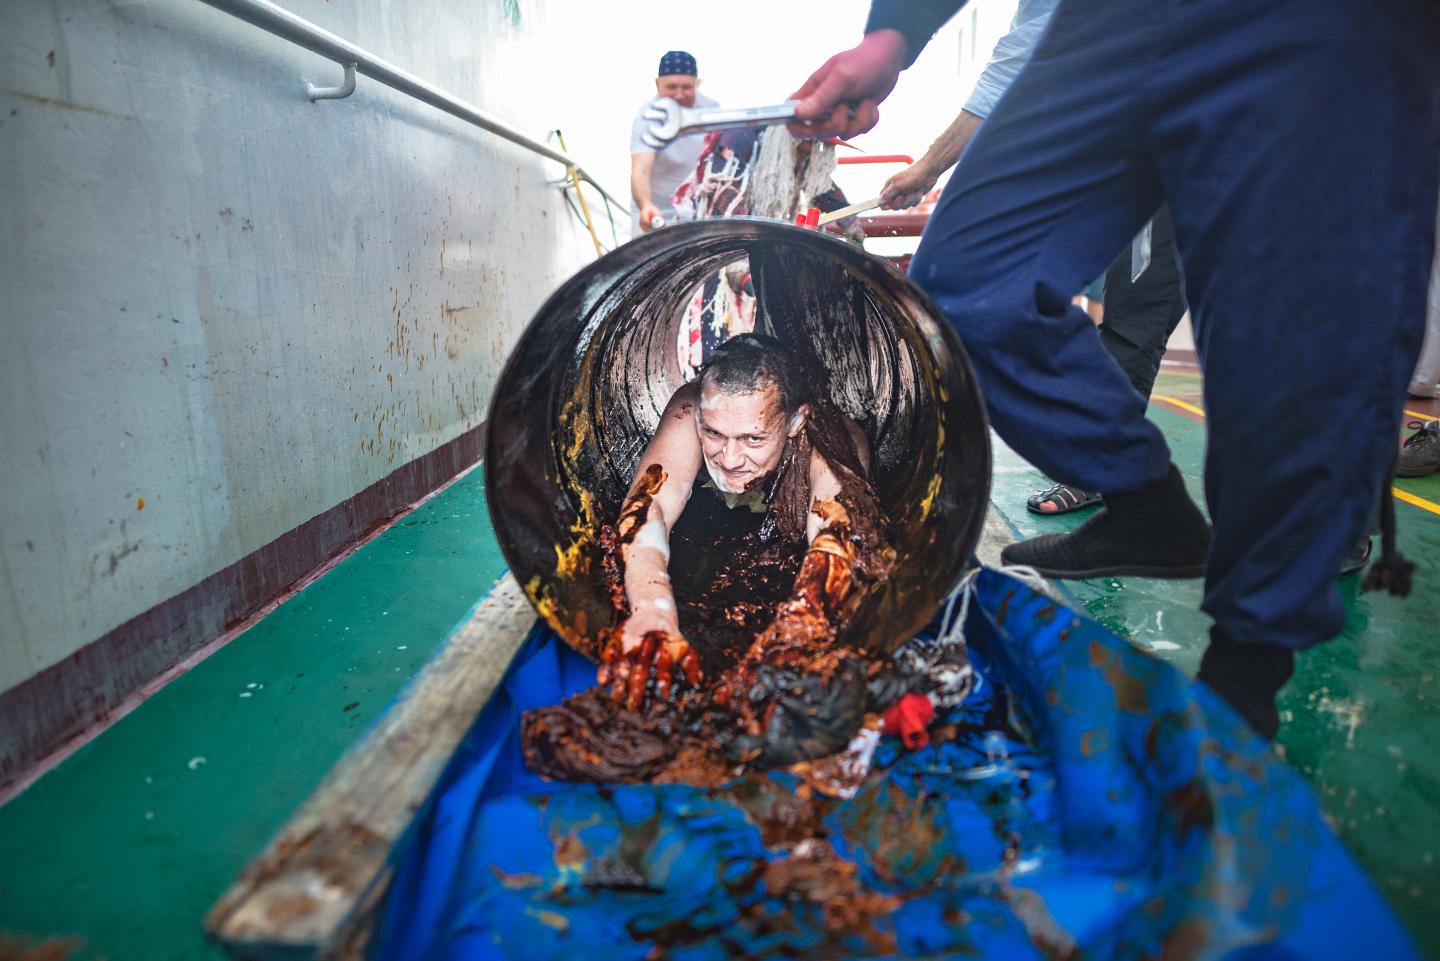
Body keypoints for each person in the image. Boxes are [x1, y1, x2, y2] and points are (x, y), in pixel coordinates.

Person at [787, 0, 1439, 738]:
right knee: (972, 284)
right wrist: (897, 32)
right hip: (1115, 21)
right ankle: (1146, 503)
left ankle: (1244, 673)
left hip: (1320, 28)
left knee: (1293, 337)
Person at [599, 334, 880, 715]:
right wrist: (652, 610)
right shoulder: (690, 408)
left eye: (753, 438)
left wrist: (801, 623)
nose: (730, 459)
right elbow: (650, 508)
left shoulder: (831, 438)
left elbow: (836, 535)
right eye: (714, 434)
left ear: (796, 420)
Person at [629, 51, 719, 234]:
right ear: (657, 84)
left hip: (700, 211)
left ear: (697, 84)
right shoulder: (647, 118)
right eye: (671, 87)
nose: (679, 95)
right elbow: (640, 171)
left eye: (686, 87)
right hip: (657, 213)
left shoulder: (712, 111)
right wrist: (646, 205)